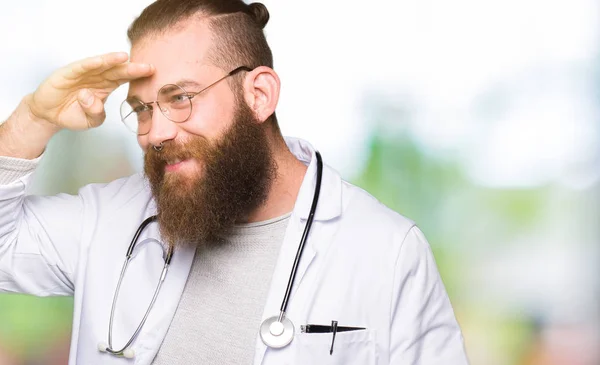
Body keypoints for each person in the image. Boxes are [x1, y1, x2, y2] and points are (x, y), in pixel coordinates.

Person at [0, 0, 470, 364]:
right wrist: (33, 118)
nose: (156, 132)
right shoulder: (107, 220)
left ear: (259, 94)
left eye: (181, 97)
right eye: (143, 109)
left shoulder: (387, 252)